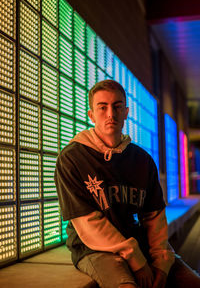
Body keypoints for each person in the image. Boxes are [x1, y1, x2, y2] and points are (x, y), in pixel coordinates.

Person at [55, 80, 200, 288]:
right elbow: (88, 223)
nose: (111, 114)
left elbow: (154, 217)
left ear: (126, 111)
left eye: (117, 106)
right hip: (94, 249)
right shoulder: (72, 159)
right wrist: (137, 260)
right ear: (91, 115)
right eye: (102, 107)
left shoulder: (142, 159)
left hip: (139, 243)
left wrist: (160, 261)